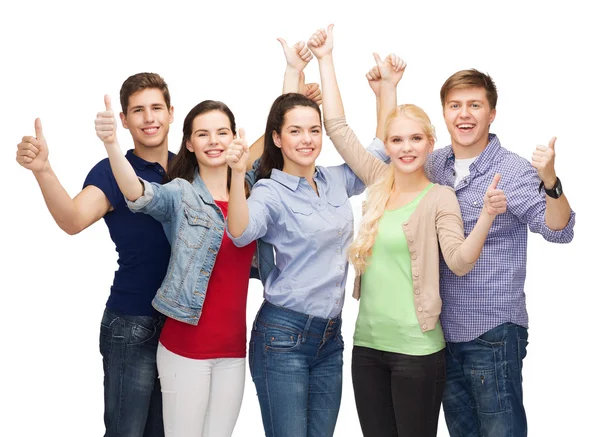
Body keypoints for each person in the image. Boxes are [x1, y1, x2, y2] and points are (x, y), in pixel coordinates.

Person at [94, 41, 318, 437]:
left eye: (222, 132)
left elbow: (275, 131)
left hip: (234, 350)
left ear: (235, 139)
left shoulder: (251, 188)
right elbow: (137, 193)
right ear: (191, 143)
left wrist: (292, 70)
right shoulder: (180, 193)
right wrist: (113, 145)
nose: (214, 141)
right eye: (203, 134)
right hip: (186, 348)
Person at [365, 50, 576, 437]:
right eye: (455, 105)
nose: (464, 114)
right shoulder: (433, 163)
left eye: (475, 105)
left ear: (491, 113)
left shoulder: (512, 170)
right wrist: (387, 93)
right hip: (442, 335)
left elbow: (558, 230)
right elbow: (389, 155)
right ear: (444, 113)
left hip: (493, 333)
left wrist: (550, 182)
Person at [310, 25, 506, 437]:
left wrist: (486, 216)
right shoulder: (379, 181)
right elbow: (338, 128)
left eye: (415, 138)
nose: (405, 147)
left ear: (430, 142)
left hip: (417, 350)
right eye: (396, 140)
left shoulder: (440, 197)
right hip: (367, 346)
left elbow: (459, 261)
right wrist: (326, 59)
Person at [223, 34, 386, 437]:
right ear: (277, 139)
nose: (308, 139)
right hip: (282, 337)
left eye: (314, 130)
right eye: (295, 131)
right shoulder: (268, 192)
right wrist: (234, 172)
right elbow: (240, 232)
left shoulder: (333, 180)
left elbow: (379, 155)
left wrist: (384, 92)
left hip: (330, 338)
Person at [16, 72, 175, 437]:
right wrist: (43, 170)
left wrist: (291, 88)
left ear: (170, 113)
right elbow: (73, 219)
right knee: (126, 432)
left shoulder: (189, 167)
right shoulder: (112, 171)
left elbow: (244, 159)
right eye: (138, 110)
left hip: (182, 326)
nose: (149, 118)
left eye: (156, 108)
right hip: (133, 323)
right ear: (124, 120)